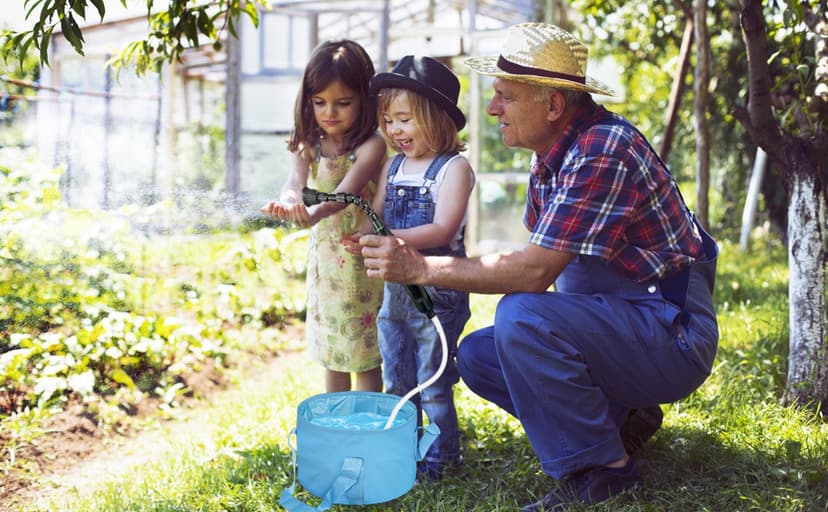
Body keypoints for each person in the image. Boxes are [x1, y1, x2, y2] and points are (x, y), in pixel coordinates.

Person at [354, 23, 719, 510]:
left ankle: (603, 471)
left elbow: (532, 273)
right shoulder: (551, 155)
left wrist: (420, 268)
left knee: (520, 316)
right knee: (481, 355)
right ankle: (620, 419)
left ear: (551, 105)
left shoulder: (601, 149)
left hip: (671, 333)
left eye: (505, 96)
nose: (490, 109)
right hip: (623, 321)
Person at [345, 55, 475, 480]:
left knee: (433, 381)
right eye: (389, 121)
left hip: (438, 291)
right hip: (396, 293)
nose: (395, 130)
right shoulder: (395, 166)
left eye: (405, 120)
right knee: (395, 379)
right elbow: (377, 210)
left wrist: (392, 240)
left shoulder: (453, 169)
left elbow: (443, 227)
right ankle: (403, 454)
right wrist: (363, 234)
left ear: (437, 119)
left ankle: (441, 460)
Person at [261, 39, 387, 393]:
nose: (329, 112)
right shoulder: (308, 142)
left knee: (363, 349)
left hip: (361, 259)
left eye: (342, 103)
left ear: (364, 100)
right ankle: (337, 426)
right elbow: (294, 182)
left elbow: (343, 195)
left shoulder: (370, 146)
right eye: (319, 103)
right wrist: (287, 203)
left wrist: (313, 213)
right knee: (332, 346)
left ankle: (366, 424)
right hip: (326, 263)